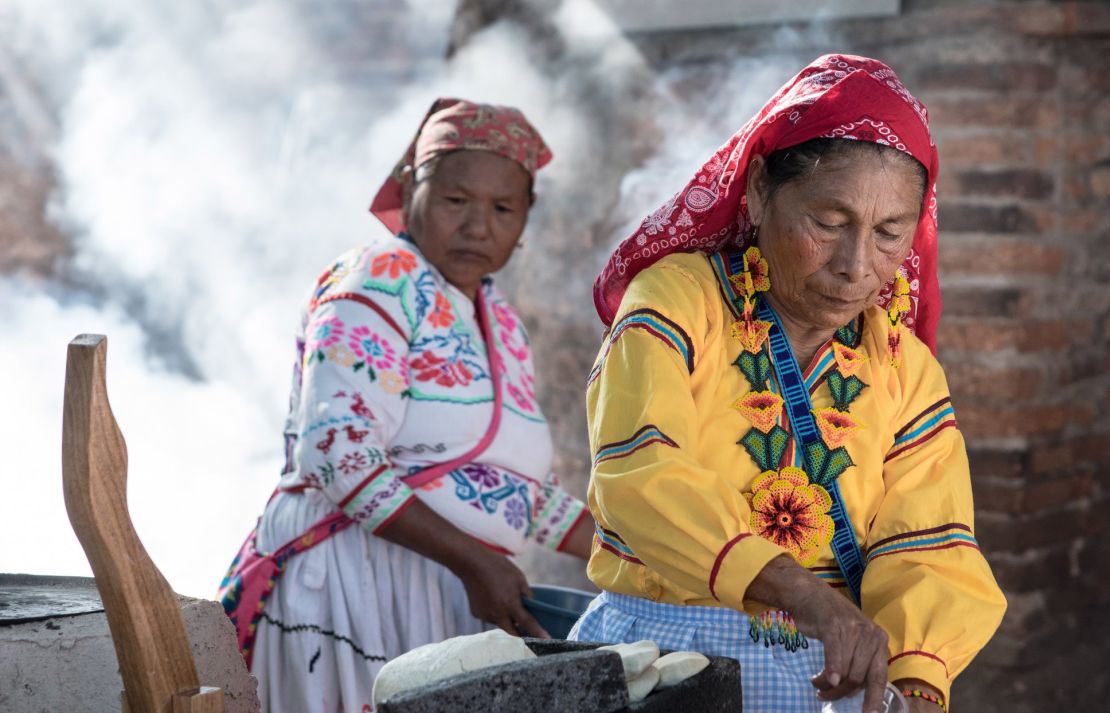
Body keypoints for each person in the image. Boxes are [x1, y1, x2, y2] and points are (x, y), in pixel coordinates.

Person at [570, 55, 1006, 713]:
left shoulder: (903, 364)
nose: (857, 265)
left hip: (839, 675)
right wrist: (802, 595)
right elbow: (641, 471)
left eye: (890, 233)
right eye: (829, 223)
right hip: (664, 658)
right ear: (758, 192)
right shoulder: (676, 301)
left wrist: (914, 683)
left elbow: (930, 542)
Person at [219, 97, 593, 712]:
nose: (478, 226)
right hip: (352, 584)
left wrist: (641, 557)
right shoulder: (376, 277)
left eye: (503, 209)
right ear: (410, 188)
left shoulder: (496, 317)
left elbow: (517, 493)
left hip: (444, 591)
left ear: (526, 221)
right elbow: (338, 456)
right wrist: (476, 562)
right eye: (455, 201)